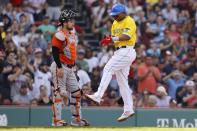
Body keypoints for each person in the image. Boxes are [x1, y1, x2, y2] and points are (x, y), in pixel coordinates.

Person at [86, 3, 137, 122]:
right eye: (113, 15)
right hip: (120, 51)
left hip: (127, 50)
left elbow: (126, 36)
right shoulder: (115, 23)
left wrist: (112, 39)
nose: (114, 17)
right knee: (123, 82)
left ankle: (98, 95)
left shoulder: (129, 20)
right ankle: (128, 109)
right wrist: (109, 40)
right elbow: (115, 40)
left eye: (116, 15)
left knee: (108, 69)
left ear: (123, 13)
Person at [50, 9, 89, 127]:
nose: (73, 22)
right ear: (64, 22)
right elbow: (54, 51)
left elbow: (71, 53)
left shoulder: (72, 34)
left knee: (77, 93)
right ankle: (56, 121)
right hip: (60, 65)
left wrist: (73, 66)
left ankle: (76, 120)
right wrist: (59, 66)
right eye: (70, 21)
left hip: (70, 67)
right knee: (59, 92)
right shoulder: (60, 34)